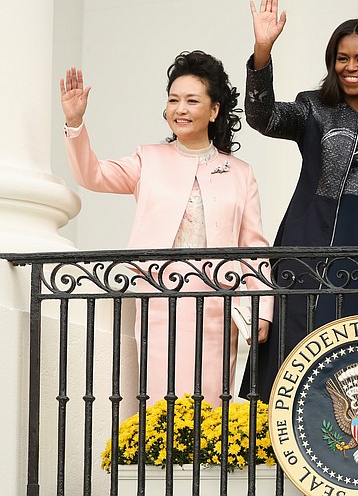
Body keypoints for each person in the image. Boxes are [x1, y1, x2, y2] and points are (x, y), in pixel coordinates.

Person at [239, 0, 358, 401]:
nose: (351, 67)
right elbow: (262, 116)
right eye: (342, 58)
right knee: (299, 366)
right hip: (310, 252)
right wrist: (262, 52)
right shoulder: (314, 108)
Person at [61, 51, 273, 407]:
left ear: (214, 110)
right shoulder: (148, 159)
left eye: (192, 100)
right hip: (157, 297)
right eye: (174, 100)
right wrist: (75, 123)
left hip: (219, 304)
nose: (181, 109)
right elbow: (91, 175)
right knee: (160, 398)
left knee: (210, 403)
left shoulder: (240, 172)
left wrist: (262, 306)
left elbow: (253, 245)